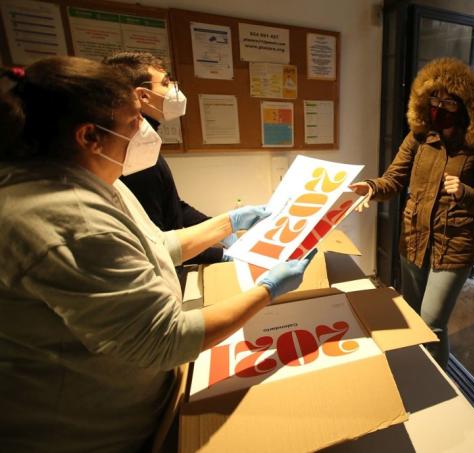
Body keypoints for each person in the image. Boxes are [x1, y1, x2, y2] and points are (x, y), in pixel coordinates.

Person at [0, 57, 312, 451]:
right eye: (133, 123)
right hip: (93, 433)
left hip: (139, 398)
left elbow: (153, 245)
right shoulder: (65, 218)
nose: (144, 131)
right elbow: (164, 340)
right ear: (89, 137)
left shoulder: (87, 177)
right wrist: (267, 289)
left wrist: (227, 223)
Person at [350, 58, 474, 368]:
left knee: (432, 324)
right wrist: (370, 188)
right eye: (435, 97)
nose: (439, 106)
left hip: (454, 249)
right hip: (414, 242)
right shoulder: (418, 139)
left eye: (448, 100)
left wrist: (465, 192)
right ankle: (413, 370)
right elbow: (393, 180)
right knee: (410, 316)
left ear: (465, 106)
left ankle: (436, 387)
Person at [103, 51, 231, 273]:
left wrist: (223, 226)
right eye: (165, 83)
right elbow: (157, 240)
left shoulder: (146, 144)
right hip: (163, 270)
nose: (174, 89)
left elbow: (173, 206)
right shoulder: (132, 156)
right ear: (142, 96)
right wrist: (224, 254)